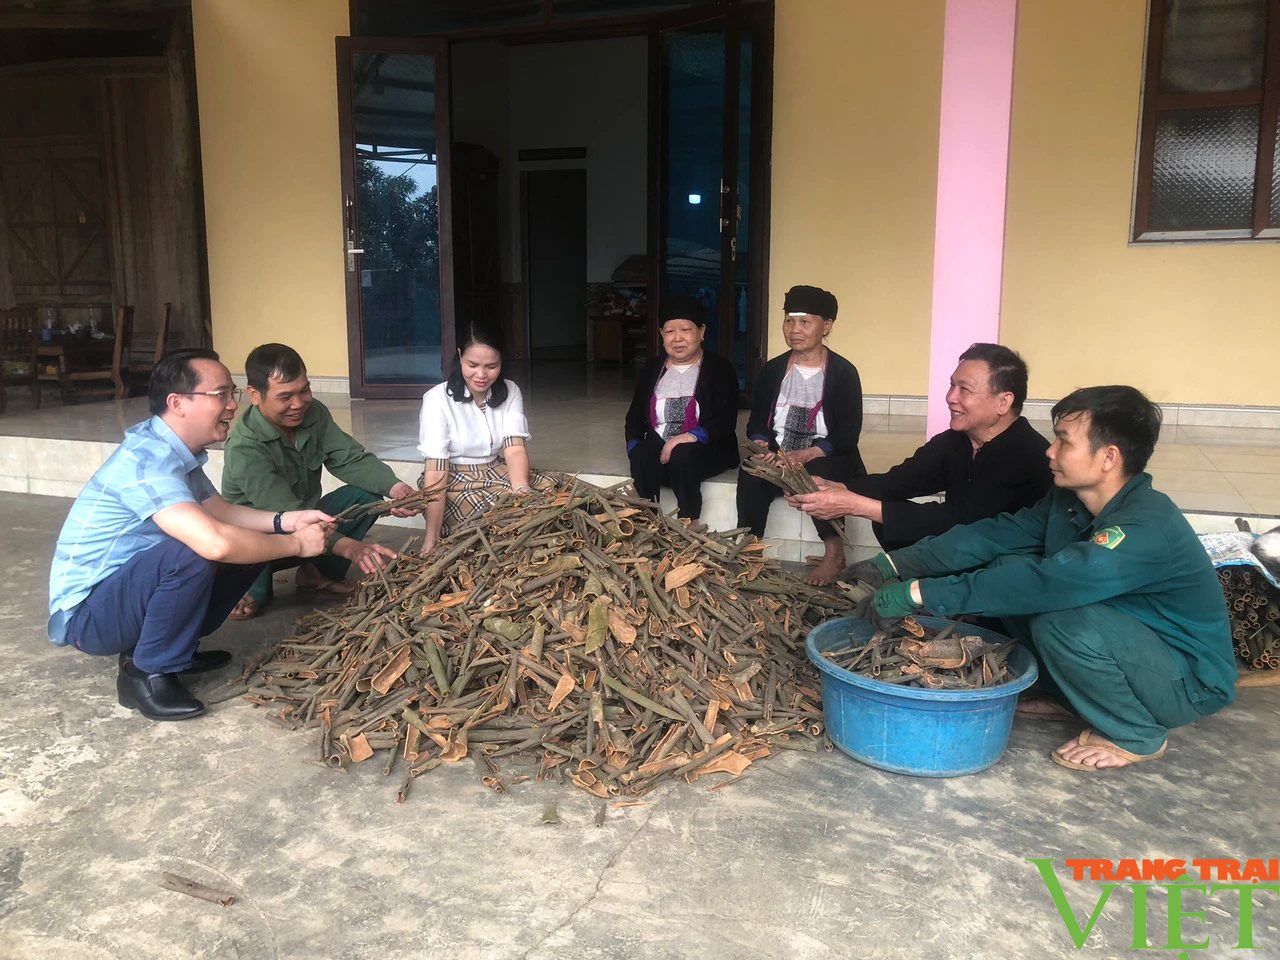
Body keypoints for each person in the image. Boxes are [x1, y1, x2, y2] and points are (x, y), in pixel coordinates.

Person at [851, 385, 1235, 772]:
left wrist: (919, 593)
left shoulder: (1144, 528)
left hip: (1187, 680)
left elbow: (1046, 584)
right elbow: (995, 535)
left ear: (1108, 457)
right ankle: (1067, 694)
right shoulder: (1069, 501)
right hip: (1132, 645)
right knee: (1006, 567)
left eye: (1064, 441)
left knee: (1062, 622)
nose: (1049, 451)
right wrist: (896, 564)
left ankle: (1136, 733)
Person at [47, 349, 334, 721]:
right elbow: (213, 541)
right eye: (221, 395)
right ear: (177, 403)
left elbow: (219, 510)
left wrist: (286, 522)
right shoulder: (147, 462)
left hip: (119, 599)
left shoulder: (174, 450)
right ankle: (146, 673)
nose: (233, 406)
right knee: (197, 550)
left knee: (245, 543)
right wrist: (296, 544)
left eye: (232, 393)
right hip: (89, 618)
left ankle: (171, 646)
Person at [786, 343, 1052, 552]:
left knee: (892, 516)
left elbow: (963, 521)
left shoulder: (1027, 456)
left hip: (1003, 563)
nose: (950, 397)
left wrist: (856, 505)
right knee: (889, 514)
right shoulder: (956, 441)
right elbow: (899, 481)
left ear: (1003, 402)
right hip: (960, 546)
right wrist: (838, 488)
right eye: (951, 385)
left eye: (964, 389)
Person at [221, 343, 416, 619]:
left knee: (366, 497)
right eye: (285, 396)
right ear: (254, 395)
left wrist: (396, 488)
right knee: (257, 597)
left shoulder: (315, 413)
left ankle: (316, 574)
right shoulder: (244, 447)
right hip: (263, 535)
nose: (298, 403)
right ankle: (245, 587)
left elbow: (350, 459)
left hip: (309, 527)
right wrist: (351, 547)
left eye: (304, 390)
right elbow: (286, 514)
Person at [737, 284, 866, 586]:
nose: (795, 330)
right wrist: (760, 444)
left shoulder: (844, 373)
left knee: (819, 476)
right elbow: (757, 421)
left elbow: (848, 433)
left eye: (805, 322)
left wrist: (805, 454)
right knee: (752, 475)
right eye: (789, 321)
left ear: (827, 326)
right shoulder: (772, 370)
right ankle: (750, 547)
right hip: (779, 453)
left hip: (824, 454)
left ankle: (834, 554)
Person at [417, 323, 552, 552]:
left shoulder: (510, 391)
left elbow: (514, 448)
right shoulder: (437, 400)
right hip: (453, 479)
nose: (481, 375)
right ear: (459, 356)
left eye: (491, 366)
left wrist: (521, 491)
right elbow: (437, 470)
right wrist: (431, 540)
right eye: (472, 365)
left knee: (551, 500)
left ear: (502, 362)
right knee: (494, 521)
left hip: (497, 470)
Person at [624, 295, 740, 520]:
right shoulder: (652, 369)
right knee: (642, 455)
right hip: (661, 443)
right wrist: (634, 446)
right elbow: (635, 416)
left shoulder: (720, 369)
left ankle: (688, 522)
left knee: (682, 454)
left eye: (685, 330)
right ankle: (648, 520)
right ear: (661, 335)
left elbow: (725, 421)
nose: (677, 338)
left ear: (702, 331)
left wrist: (687, 437)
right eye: (669, 332)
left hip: (706, 446)